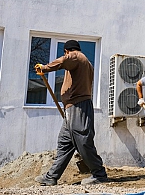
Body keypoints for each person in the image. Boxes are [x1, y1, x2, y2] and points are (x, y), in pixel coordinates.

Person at [33, 40, 109, 186]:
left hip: (78, 107)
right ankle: (51, 177)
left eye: (65, 53)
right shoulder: (83, 62)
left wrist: (45, 68)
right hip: (71, 108)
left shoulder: (76, 56)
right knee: (65, 142)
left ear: (67, 51)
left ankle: (99, 174)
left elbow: (63, 61)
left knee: (83, 141)